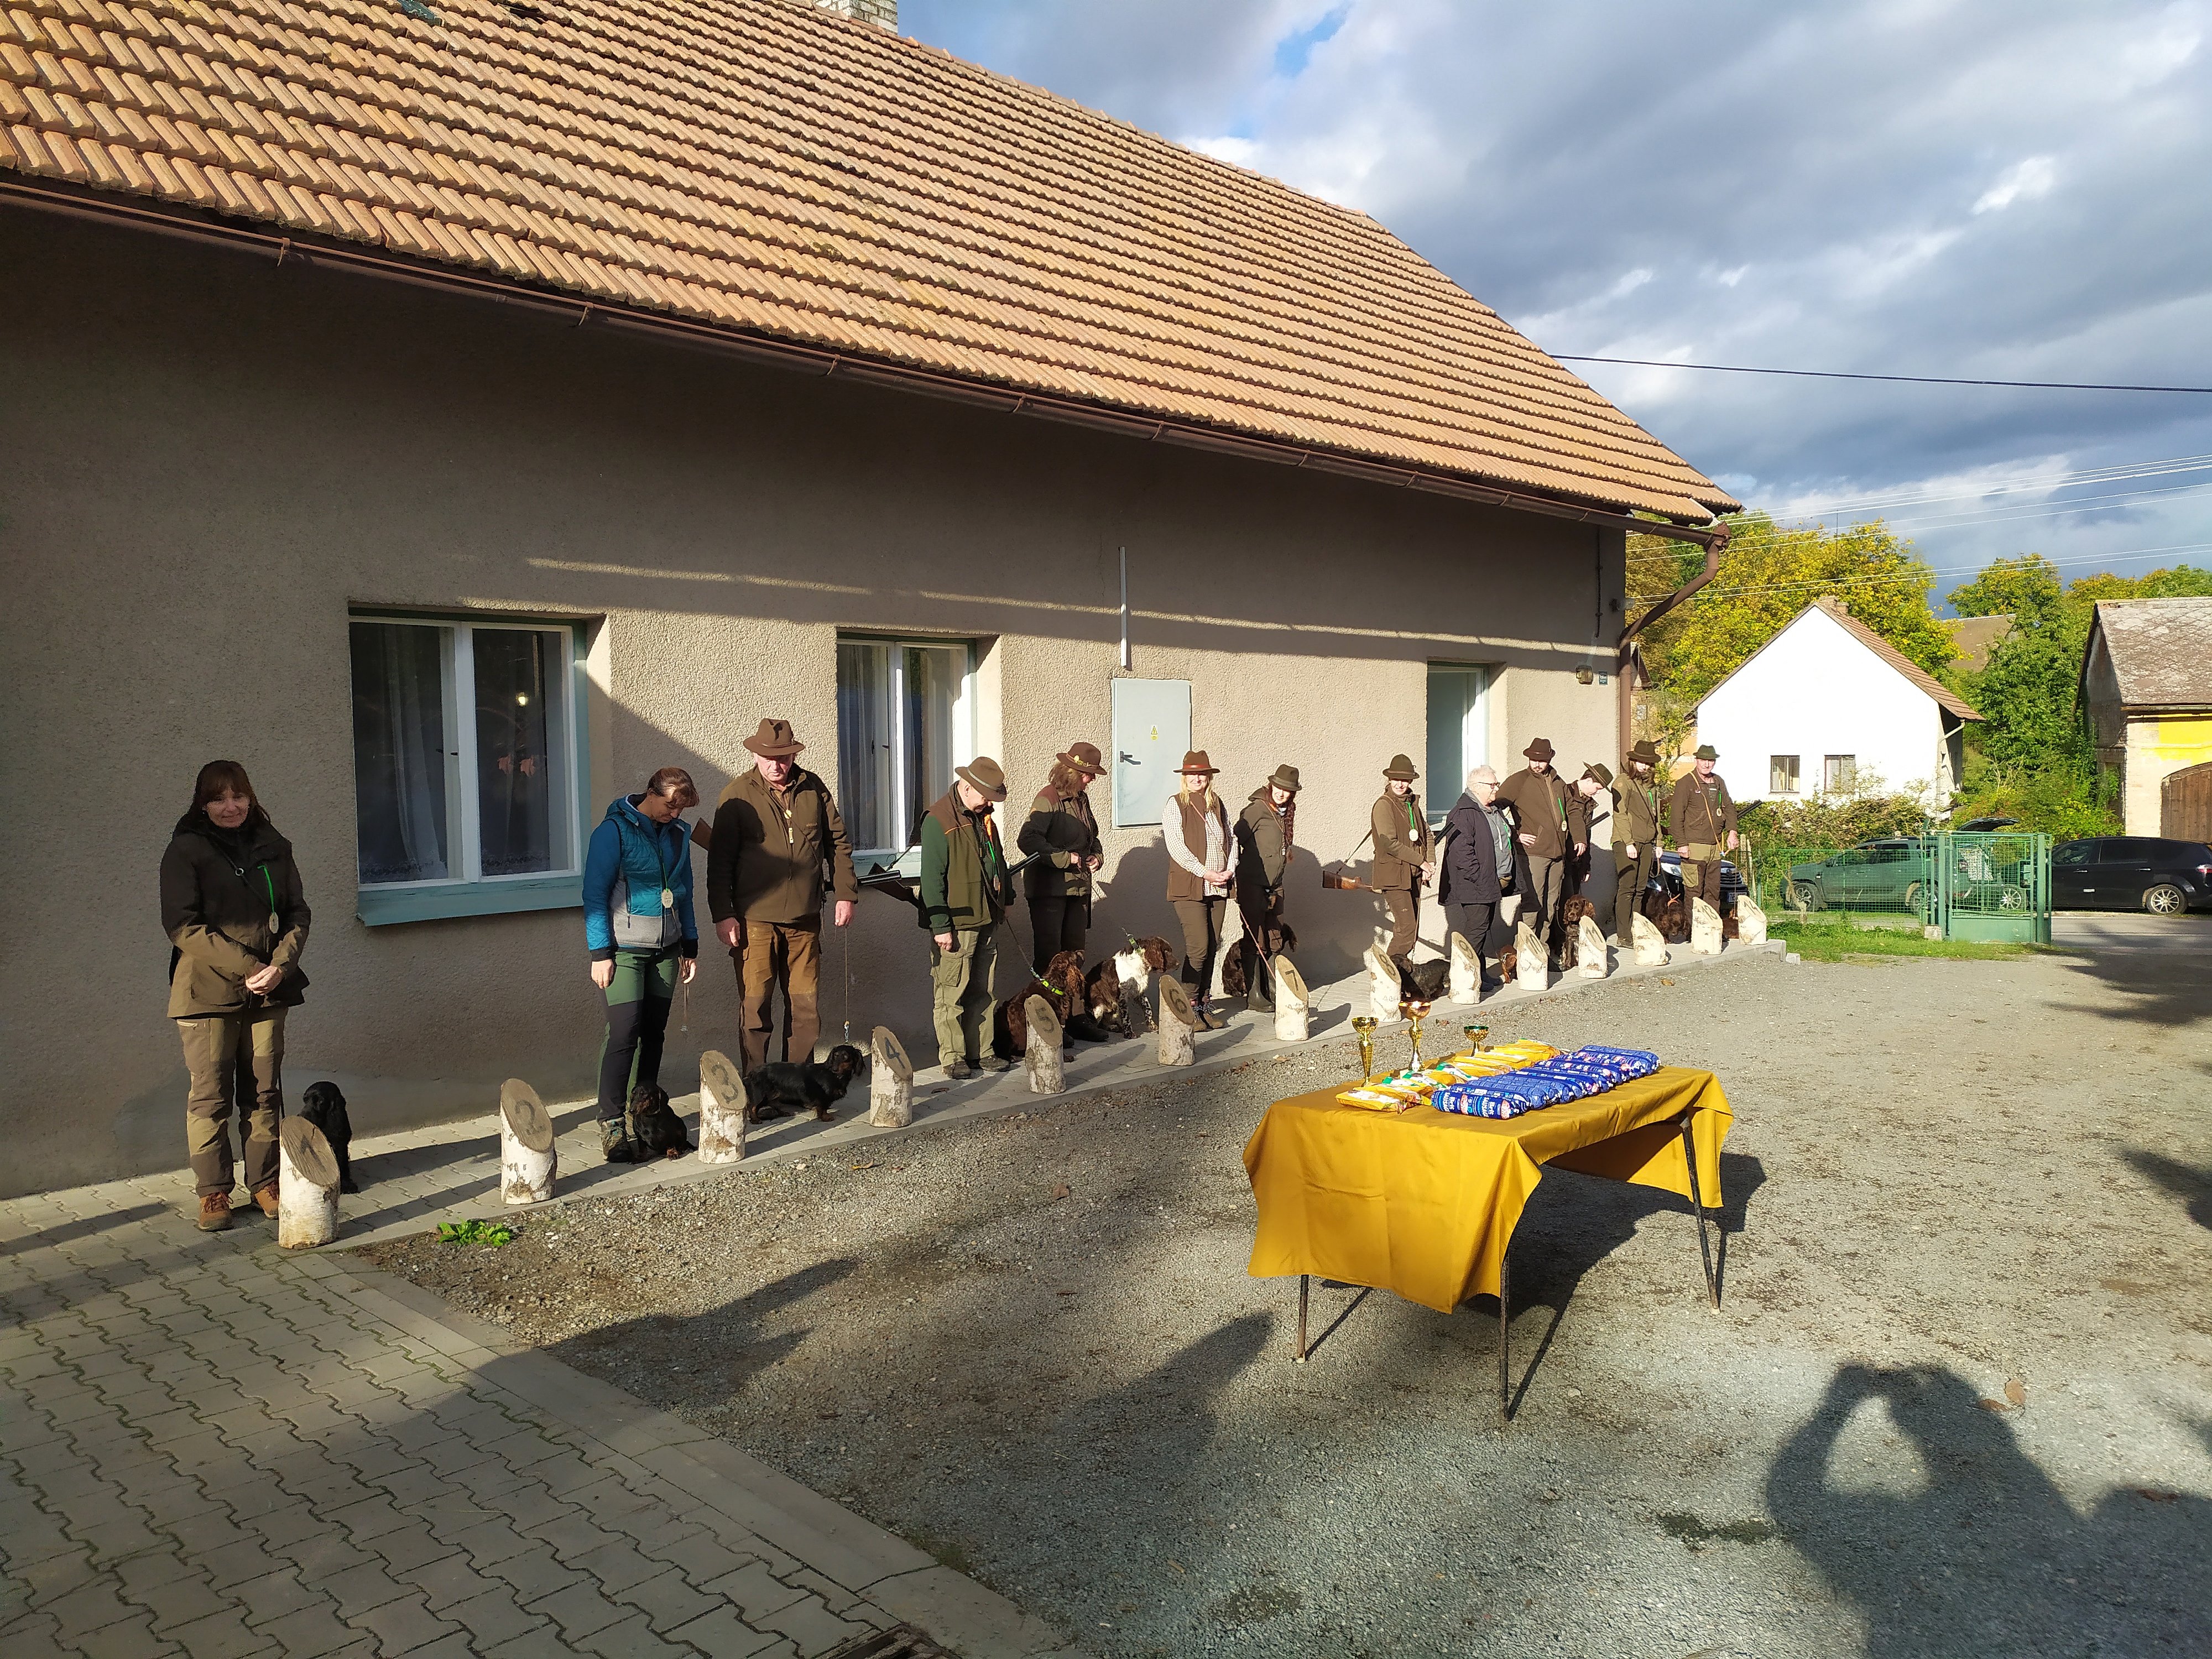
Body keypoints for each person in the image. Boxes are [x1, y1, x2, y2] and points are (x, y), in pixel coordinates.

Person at [160, 760, 311, 1232]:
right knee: (211, 1097)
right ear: (203, 804)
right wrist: (250, 967)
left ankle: (266, 1183)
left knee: (264, 1092)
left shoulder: (274, 846)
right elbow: (182, 926)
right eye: (219, 798)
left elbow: (297, 912)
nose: (231, 807)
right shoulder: (186, 850)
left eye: (239, 796)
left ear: (251, 798)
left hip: (268, 991)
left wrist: (281, 966)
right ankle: (214, 1192)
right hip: (206, 994)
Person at [706, 719, 858, 1074]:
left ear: (794, 756)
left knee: (805, 1007)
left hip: (805, 918)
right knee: (755, 1006)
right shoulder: (736, 796)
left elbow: (838, 843)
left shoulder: (813, 789)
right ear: (755, 756)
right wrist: (723, 914)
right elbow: (720, 862)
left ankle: (798, 1082)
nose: (777, 765)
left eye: (784, 758)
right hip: (755, 920)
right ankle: (757, 1082)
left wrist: (845, 893)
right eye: (768, 758)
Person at [584, 768, 700, 1162]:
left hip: (667, 950)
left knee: (654, 1033)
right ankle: (612, 1123)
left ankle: (647, 1117)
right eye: (670, 805)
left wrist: (690, 945)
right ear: (651, 793)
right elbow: (595, 896)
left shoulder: (678, 834)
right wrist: (600, 954)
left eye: (681, 809)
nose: (675, 814)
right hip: (624, 952)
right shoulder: (613, 832)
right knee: (623, 1034)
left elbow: (684, 893)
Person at [920, 758, 1016, 1078]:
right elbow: (931, 880)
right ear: (967, 787)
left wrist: (1008, 898)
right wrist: (940, 927)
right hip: (957, 923)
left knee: (984, 991)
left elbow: (999, 861)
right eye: (986, 796)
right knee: (951, 994)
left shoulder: (984, 818)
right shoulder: (938, 820)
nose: (990, 803)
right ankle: (953, 1057)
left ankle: (982, 1052)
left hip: (987, 915)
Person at [1017, 742, 1105, 973]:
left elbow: (1093, 837)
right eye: (1089, 774)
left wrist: (1097, 857)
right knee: (1051, 960)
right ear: (1073, 773)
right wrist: (1065, 859)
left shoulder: (1081, 799)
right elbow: (1027, 840)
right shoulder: (1048, 799)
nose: (1093, 779)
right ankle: (1046, 998)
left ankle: (1072, 998)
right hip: (1050, 891)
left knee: (1076, 956)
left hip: (1078, 890)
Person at [1165, 751, 1235, 1031]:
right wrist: (1205, 872)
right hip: (1191, 886)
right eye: (1192, 774)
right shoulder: (1176, 804)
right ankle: (1188, 1005)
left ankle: (1205, 1004)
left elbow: (1231, 838)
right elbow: (1177, 847)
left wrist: (1230, 869)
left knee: (1213, 946)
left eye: (1202, 774)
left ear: (1209, 777)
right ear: (1185, 777)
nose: (1197, 778)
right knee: (1199, 948)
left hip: (1219, 885)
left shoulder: (1217, 804)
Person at [1495, 738, 1582, 968]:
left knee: (1550, 906)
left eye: (1541, 760)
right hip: (1533, 854)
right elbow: (1494, 809)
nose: (1537, 764)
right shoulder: (1518, 780)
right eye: (1533, 759)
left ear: (1549, 760)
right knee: (1532, 904)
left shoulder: (1558, 782)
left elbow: (1573, 810)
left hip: (1558, 854)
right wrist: (1515, 834)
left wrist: (1580, 838)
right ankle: (1524, 953)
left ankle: (1542, 953)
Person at [1439, 765, 1512, 994]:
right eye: (1493, 785)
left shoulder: (1491, 810)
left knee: (1483, 928)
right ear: (1477, 787)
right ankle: (1464, 977)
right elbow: (1461, 853)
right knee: (1476, 929)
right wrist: (1480, 878)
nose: (1496, 788)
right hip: (1475, 884)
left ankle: (1480, 973)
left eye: (1497, 784)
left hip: (1490, 881)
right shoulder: (1463, 813)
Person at [1233, 764, 1300, 1011]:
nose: (1282, 793)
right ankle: (1254, 995)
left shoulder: (1286, 812)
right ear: (1271, 785)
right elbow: (1234, 840)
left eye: (1288, 790)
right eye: (1279, 788)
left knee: (1274, 936)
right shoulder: (1257, 810)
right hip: (1252, 883)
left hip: (1275, 885)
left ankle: (1272, 988)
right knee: (1255, 936)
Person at [1371, 754, 1437, 974]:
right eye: (1396, 779)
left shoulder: (1412, 804)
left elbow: (1426, 834)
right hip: (1393, 876)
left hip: (1413, 875)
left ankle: (1398, 975)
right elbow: (1389, 843)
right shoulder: (1384, 805)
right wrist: (1421, 862)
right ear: (1389, 780)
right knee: (1407, 929)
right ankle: (1388, 975)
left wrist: (1430, 862)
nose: (1400, 784)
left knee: (1410, 929)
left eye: (1405, 780)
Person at [1669, 744, 1739, 912]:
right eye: (1703, 760)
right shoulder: (1685, 783)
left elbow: (1729, 808)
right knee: (1694, 892)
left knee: (1713, 893)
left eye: (1711, 761)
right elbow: (1676, 816)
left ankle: (1712, 926)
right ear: (1696, 760)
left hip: (1715, 847)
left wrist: (1732, 832)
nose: (1707, 764)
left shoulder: (1719, 781)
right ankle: (1693, 927)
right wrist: (1681, 844)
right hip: (1694, 846)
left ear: (1714, 762)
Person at [1611, 739, 1665, 946]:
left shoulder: (1652, 788)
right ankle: (1624, 935)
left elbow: (1656, 817)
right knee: (1627, 888)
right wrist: (1628, 843)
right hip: (1627, 842)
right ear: (1633, 761)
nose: (1644, 766)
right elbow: (1620, 814)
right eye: (1641, 762)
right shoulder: (1623, 782)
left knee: (1641, 889)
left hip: (1647, 843)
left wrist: (1659, 842)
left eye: (1649, 763)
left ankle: (1636, 929)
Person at [1572, 763, 1613, 901]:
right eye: (1598, 788)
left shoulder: (1589, 804)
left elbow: (1587, 836)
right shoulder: (1566, 793)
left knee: (1573, 899)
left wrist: (1586, 866)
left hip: (1577, 862)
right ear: (1589, 781)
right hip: (1563, 859)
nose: (1597, 793)